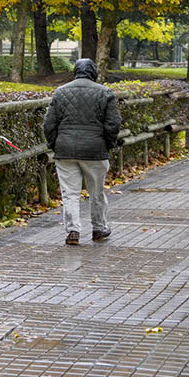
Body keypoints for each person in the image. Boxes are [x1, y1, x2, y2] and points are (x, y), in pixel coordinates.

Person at [43, 58, 122, 246]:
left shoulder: (60, 92)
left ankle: (73, 230)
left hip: (65, 150)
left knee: (70, 193)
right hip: (95, 150)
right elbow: (113, 123)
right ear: (93, 72)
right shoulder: (105, 92)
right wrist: (107, 144)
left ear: (76, 72)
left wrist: (55, 144)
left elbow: (48, 124)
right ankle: (99, 228)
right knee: (96, 192)